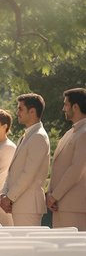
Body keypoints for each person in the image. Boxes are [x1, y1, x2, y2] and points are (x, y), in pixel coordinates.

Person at [0, 93, 50, 226]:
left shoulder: (38, 136)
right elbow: (13, 171)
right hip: (19, 204)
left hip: (28, 206)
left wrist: (9, 197)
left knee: (28, 246)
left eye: (20, 109)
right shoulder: (28, 135)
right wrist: (3, 194)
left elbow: (29, 173)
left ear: (32, 111)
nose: (17, 112)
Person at [46, 88, 86, 230]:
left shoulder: (84, 133)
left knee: (75, 250)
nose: (63, 108)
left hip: (75, 206)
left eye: (66, 104)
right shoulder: (70, 132)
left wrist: (54, 195)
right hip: (60, 204)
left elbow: (76, 170)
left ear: (75, 107)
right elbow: (57, 167)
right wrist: (50, 194)